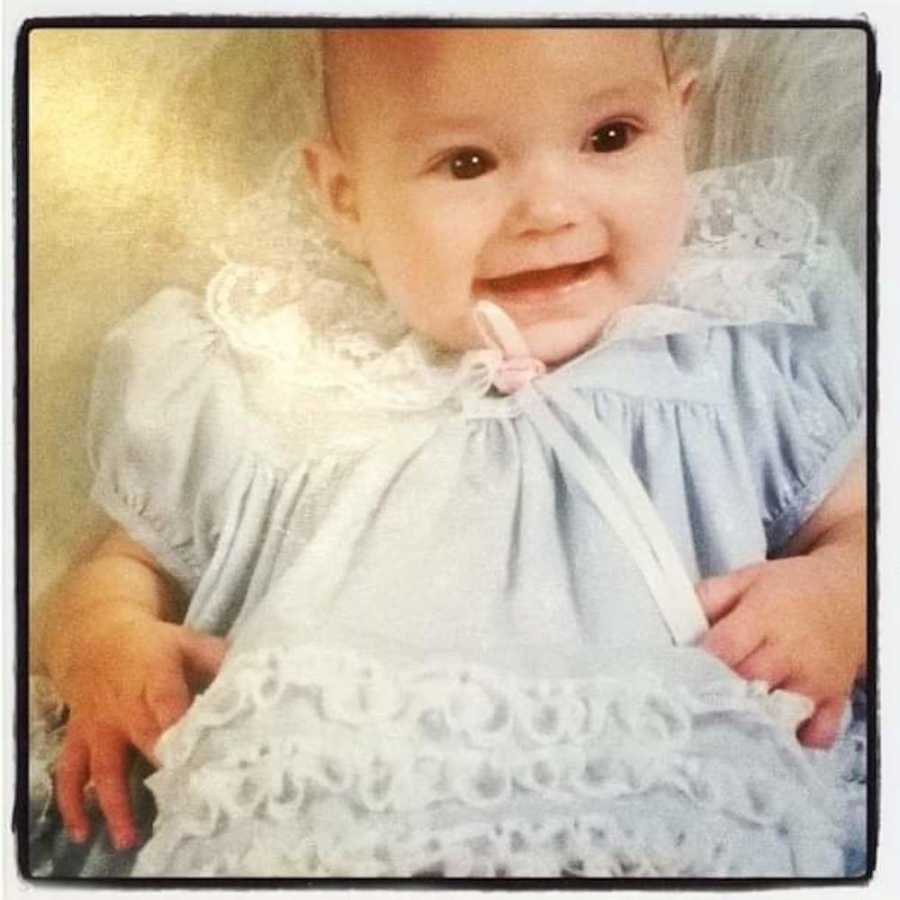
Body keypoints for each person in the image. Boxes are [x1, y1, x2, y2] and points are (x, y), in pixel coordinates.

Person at [33, 27, 866, 877]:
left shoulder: (737, 347)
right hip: (326, 813)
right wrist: (103, 635)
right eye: (468, 163)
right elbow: (123, 559)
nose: (549, 210)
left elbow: (863, 523)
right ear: (346, 199)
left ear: (680, 126)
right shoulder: (284, 371)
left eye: (609, 138)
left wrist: (841, 595)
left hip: (672, 803)